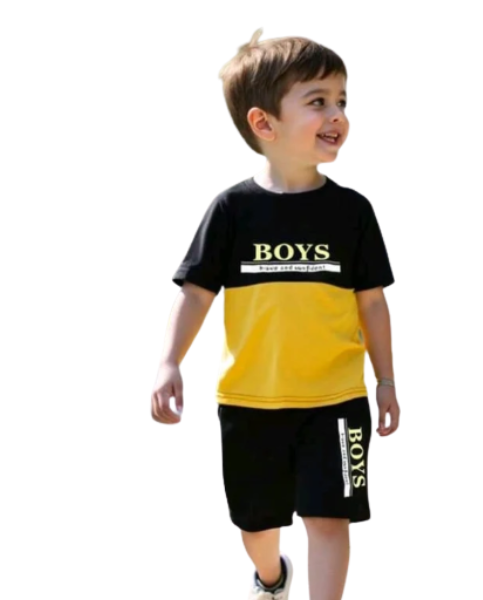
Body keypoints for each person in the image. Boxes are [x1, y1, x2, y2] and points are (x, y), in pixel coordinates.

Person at [151, 28, 401, 600]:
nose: (337, 115)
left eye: (342, 100)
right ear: (264, 124)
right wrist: (168, 362)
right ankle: (272, 578)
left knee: (330, 518)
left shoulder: (353, 212)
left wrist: (385, 380)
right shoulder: (232, 210)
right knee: (256, 524)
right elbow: (195, 292)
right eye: (318, 101)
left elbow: (372, 302)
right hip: (251, 401)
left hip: (336, 398)